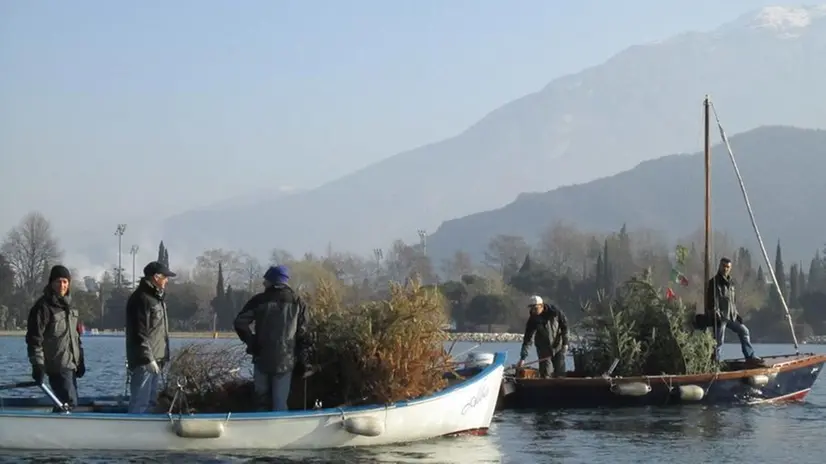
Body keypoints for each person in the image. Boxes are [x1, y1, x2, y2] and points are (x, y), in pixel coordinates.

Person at [234, 265, 312, 411]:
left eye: (266, 280)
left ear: (272, 281)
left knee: (261, 402)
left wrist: (252, 342)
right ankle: (280, 431)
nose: (263, 283)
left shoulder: (259, 300)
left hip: (261, 357)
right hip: (286, 359)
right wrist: (303, 360)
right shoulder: (297, 302)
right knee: (280, 403)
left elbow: (240, 322)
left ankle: (260, 430)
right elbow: (304, 333)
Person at [25, 265, 86, 411]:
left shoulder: (70, 307)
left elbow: (76, 338)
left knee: (67, 403)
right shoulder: (43, 308)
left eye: (65, 281)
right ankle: (62, 431)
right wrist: (37, 365)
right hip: (57, 365)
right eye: (58, 281)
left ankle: (57, 428)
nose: (62, 285)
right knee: (69, 404)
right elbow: (34, 340)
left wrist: (80, 360)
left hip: (71, 365)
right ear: (51, 283)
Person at [125, 261, 174, 413]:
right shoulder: (141, 299)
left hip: (156, 360)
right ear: (156, 277)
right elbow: (140, 333)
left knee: (151, 402)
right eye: (165, 277)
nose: (167, 280)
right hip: (144, 362)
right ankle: (133, 433)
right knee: (140, 401)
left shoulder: (157, 299)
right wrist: (148, 359)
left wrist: (162, 357)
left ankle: (145, 433)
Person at [705, 257, 764, 365]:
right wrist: (715, 312)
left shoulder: (731, 282)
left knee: (744, 331)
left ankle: (750, 356)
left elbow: (732, 301)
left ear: (730, 268)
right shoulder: (714, 282)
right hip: (720, 317)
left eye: (727, 267)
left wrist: (736, 314)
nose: (725, 269)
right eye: (723, 266)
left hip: (731, 316)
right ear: (719, 266)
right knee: (719, 341)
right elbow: (711, 301)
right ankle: (715, 362)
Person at [516, 296, 569, 378]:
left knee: (560, 372)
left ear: (542, 305)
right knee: (546, 374)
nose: (533, 310)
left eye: (535, 308)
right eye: (531, 308)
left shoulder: (555, 312)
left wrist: (565, 343)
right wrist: (523, 358)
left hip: (558, 346)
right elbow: (527, 340)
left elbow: (565, 327)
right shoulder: (532, 320)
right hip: (543, 349)